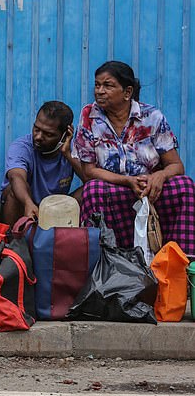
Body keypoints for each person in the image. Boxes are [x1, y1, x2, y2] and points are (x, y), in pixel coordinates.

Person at [74, 61, 195, 254]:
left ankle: (182, 262)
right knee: (92, 190)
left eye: (108, 85)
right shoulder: (89, 116)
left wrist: (159, 177)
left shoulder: (152, 117)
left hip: (150, 191)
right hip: (115, 190)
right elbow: (89, 172)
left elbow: (175, 165)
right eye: (97, 85)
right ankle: (104, 262)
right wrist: (127, 181)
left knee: (184, 186)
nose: (100, 91)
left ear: (127, 92)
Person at [1, 101, 85, 226]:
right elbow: (16, 176)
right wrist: (28, 203)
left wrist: (67, 154)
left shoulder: (73, 150)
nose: (38, 137)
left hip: (55, 208)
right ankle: (12, 241)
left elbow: (89, 179)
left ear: (65, 135)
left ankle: (69, 238)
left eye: (48, 134)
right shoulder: (21, 147)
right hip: (24, 207)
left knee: (90, 189)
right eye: (36, 129)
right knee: (13, 189)